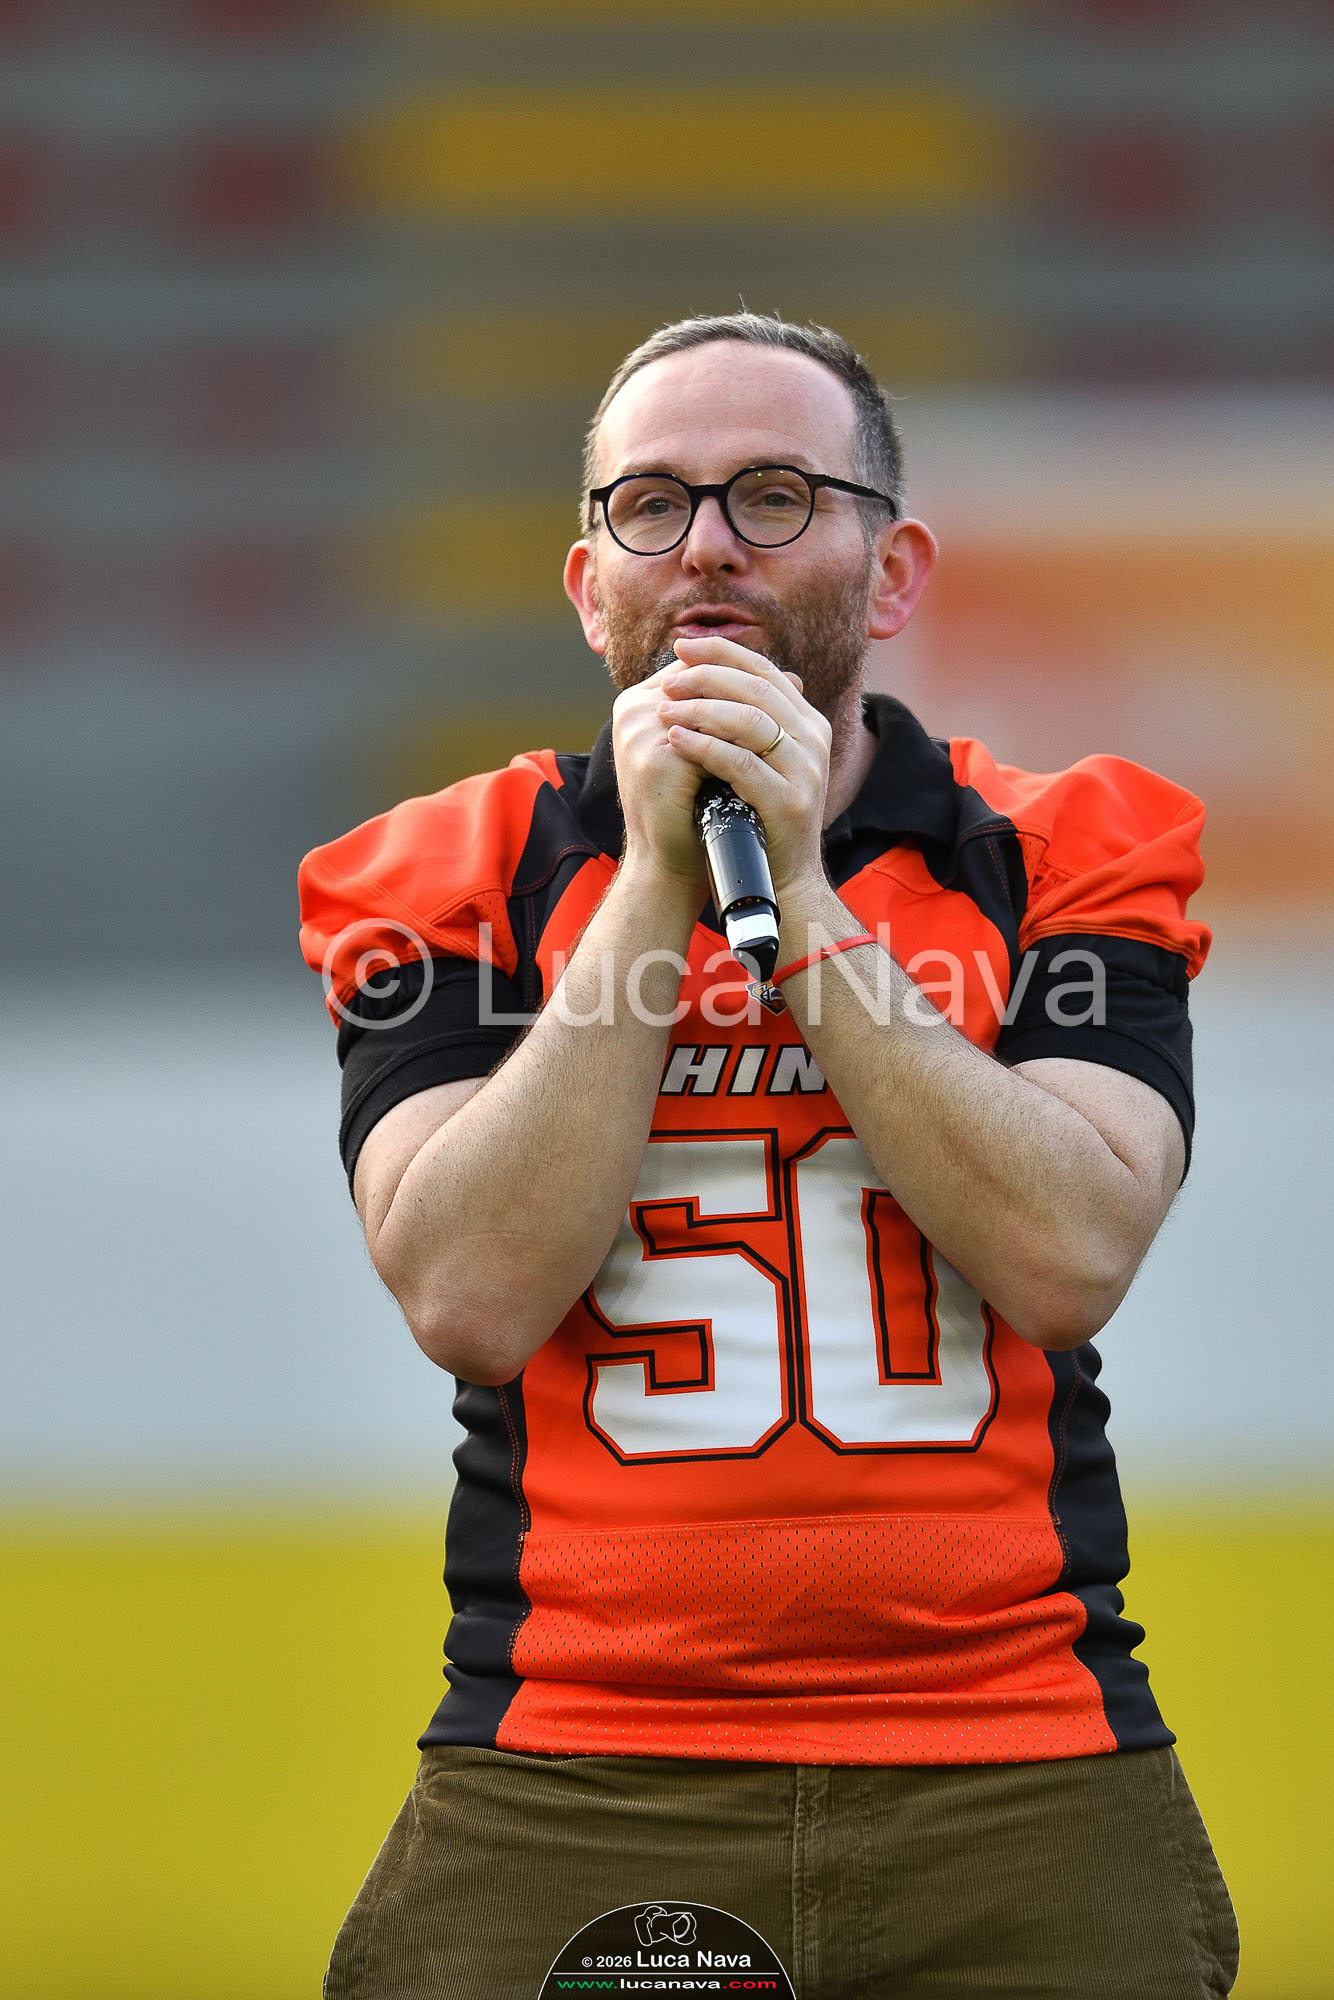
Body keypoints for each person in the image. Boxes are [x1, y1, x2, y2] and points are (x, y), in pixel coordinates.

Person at [298, 314, 1238, 2000]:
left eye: (776, 495)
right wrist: (659, 882)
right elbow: (466, 1292)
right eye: (652, 503)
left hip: (1018, 1751)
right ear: (588, 585)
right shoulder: (447, 869)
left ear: (891, 572)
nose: (709, 544)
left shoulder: (1065, 849)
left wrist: (796, 897)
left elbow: (1069, 1253)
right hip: (576, 1751)